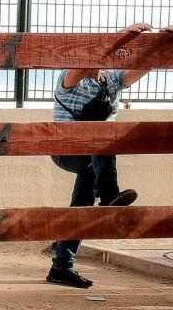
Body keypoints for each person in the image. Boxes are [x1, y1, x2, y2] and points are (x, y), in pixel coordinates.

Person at [46, 22, 157, 289]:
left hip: (93, 160)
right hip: (67, 150)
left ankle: (62, 265)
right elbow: (91, 59)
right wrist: (122, 36)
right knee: (103, 138)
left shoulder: (112, 81)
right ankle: (108, 195)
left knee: (81, 206)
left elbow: (142, 68)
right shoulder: (70, 80)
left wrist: (159, 45)